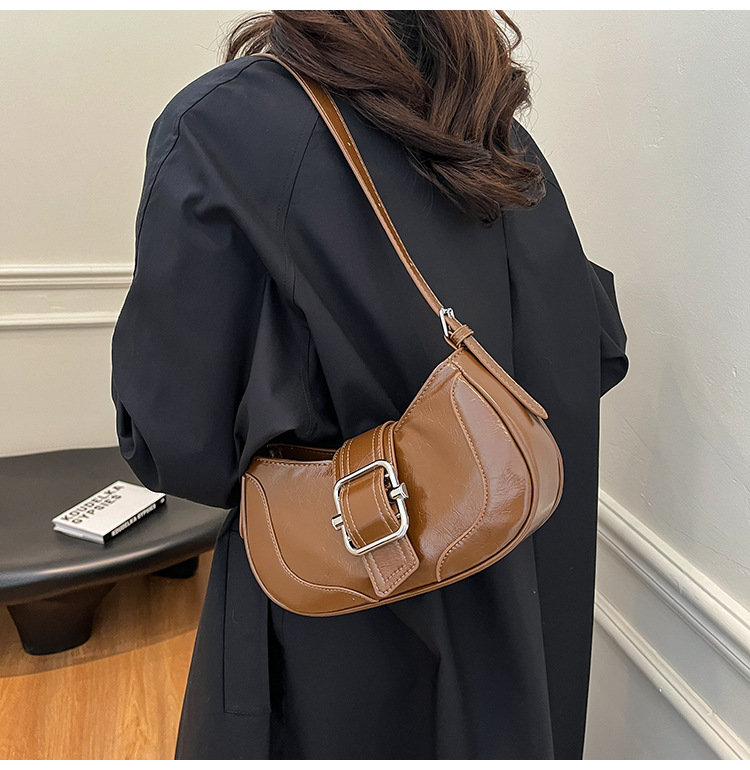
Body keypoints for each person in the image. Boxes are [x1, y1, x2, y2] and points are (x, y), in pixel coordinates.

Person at [110, 10, 628, 760]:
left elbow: (174, 444)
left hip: (341, 630)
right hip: (529, 632)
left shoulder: (224, 126)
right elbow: (596, 351)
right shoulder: (504, 140)